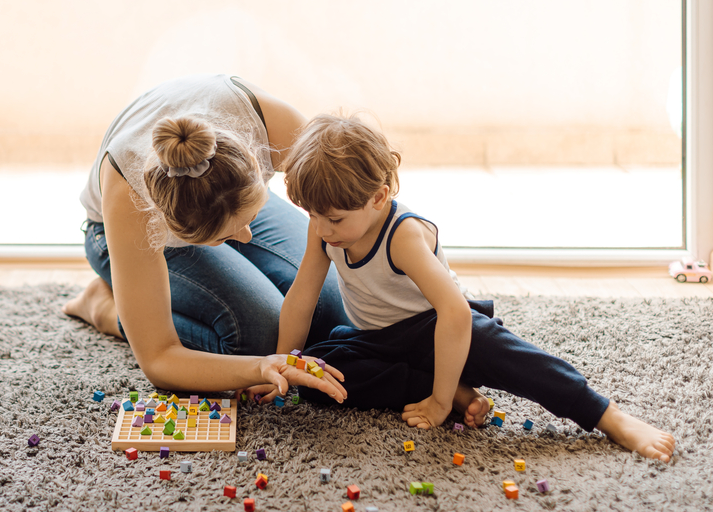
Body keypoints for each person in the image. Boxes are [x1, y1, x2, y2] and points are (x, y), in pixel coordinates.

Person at [267, 112, 675, 462]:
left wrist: (439, 405)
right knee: (320, 373)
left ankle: (607, 415)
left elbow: (455, 313)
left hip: (443, 331)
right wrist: (284, 363)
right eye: (313, 215)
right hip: (376, 339)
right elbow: (302, 298)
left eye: (334, 219)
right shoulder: (322, 230)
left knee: (512, 356)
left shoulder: (402, 235)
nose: (321, 228)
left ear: (379, 196)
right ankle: (452, 391)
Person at [63, 74, 349, 402]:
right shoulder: (133, 201)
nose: (246, 237)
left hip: (232, 200)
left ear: (255, 165)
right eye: (223, 238)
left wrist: (315, 278)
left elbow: (348, 202)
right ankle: (106, 307)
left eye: (250, 218)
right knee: (258, 338)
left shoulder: (272, 125)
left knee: (328, 312)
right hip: (117, 234)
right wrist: (264, 365)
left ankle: (236, 222)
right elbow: (159, 359)